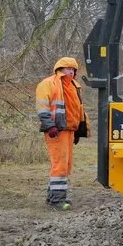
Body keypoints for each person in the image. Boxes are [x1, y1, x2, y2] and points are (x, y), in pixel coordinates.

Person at [35, 57, 88, 209]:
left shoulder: (74, 85)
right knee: (60, 165)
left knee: (65, 165)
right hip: (56, 130)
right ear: (60, 69)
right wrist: (50, 126)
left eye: (73, 69)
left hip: (69, 130)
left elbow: (78, 110)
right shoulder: (48, 84)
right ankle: (57, 201)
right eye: (68, 68)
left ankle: (53, 198)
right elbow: (42, 107)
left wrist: (78, 130)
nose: (71, 71)